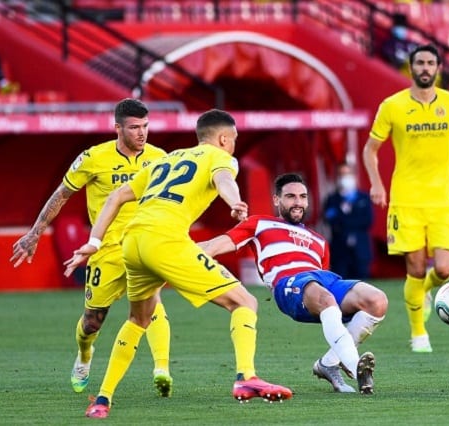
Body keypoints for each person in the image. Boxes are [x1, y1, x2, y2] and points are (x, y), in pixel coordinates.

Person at [63, 109, 292, 418]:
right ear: (224, 138)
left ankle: (102, 400)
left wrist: (94, 242)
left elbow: (116, 196)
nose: (234, 145)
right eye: (234, 139)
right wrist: (234, 201)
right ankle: (246, 377)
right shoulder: (220, 157)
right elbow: (224, 179)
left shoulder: (165, 159)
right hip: (165, 240)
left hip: (132, 241)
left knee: (138, 320)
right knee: (245, 301)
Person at [10, 98, 173, 396]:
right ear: (117, 129)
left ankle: (162, 369)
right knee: (92, 322)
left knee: (153, 303)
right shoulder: (92, 158)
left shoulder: (160, 157)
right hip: (105, 251)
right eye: (134, 127)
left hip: (143, 246)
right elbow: (61, 195)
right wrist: (35, 233)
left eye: (145, 126)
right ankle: (85, 355)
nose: (142, 133)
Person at [201, 173, 387, 394]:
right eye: (290, 196)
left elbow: (323, 278)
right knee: (324, 297)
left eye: (302, 197)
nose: (298, 202)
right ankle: (357, 369)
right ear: (276, 200)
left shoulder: (319, 240)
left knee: (377, 300)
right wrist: (178, 253)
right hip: (288, 283)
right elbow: (214, 245)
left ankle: (329, 363)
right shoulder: (259, 223)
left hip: (321, 280)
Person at [362, 43, 449, 353]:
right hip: (406, 201)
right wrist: (376, 183)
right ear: (411, 68)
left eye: (430, 63)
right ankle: (419, 335)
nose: (425, 68)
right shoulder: (392, 105)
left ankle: (425, 292)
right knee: (414, 269)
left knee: (443, 269)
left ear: (438, 68)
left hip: (444, 199)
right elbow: (370, 149)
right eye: (420, 63)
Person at [323, 163, 373, 279]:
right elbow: (330, 221)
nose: (345, 178)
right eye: (342, 174)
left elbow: (367, 221)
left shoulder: (363, 198)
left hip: (361, 249)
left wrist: (344, 219)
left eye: (348, 174)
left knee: (363, 284)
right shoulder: (332, 199)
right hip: (339, 251)